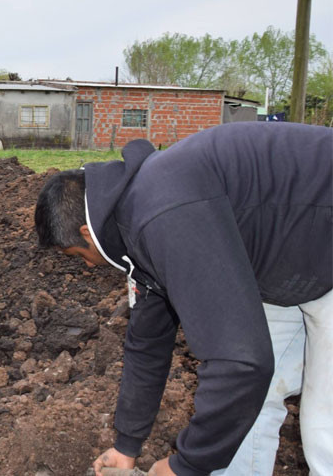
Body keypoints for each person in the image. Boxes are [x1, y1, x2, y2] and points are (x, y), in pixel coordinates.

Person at [33, 122, 332, 476]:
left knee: (323, 427)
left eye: (77, 255)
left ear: (86, 232)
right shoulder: (134, 216)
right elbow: (147, 341)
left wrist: (185, 467)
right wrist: (127, 445)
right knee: (251, 402)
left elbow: (239, 362)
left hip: (320, 236)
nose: (86, 265)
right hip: (291, 258)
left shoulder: (164, 215)